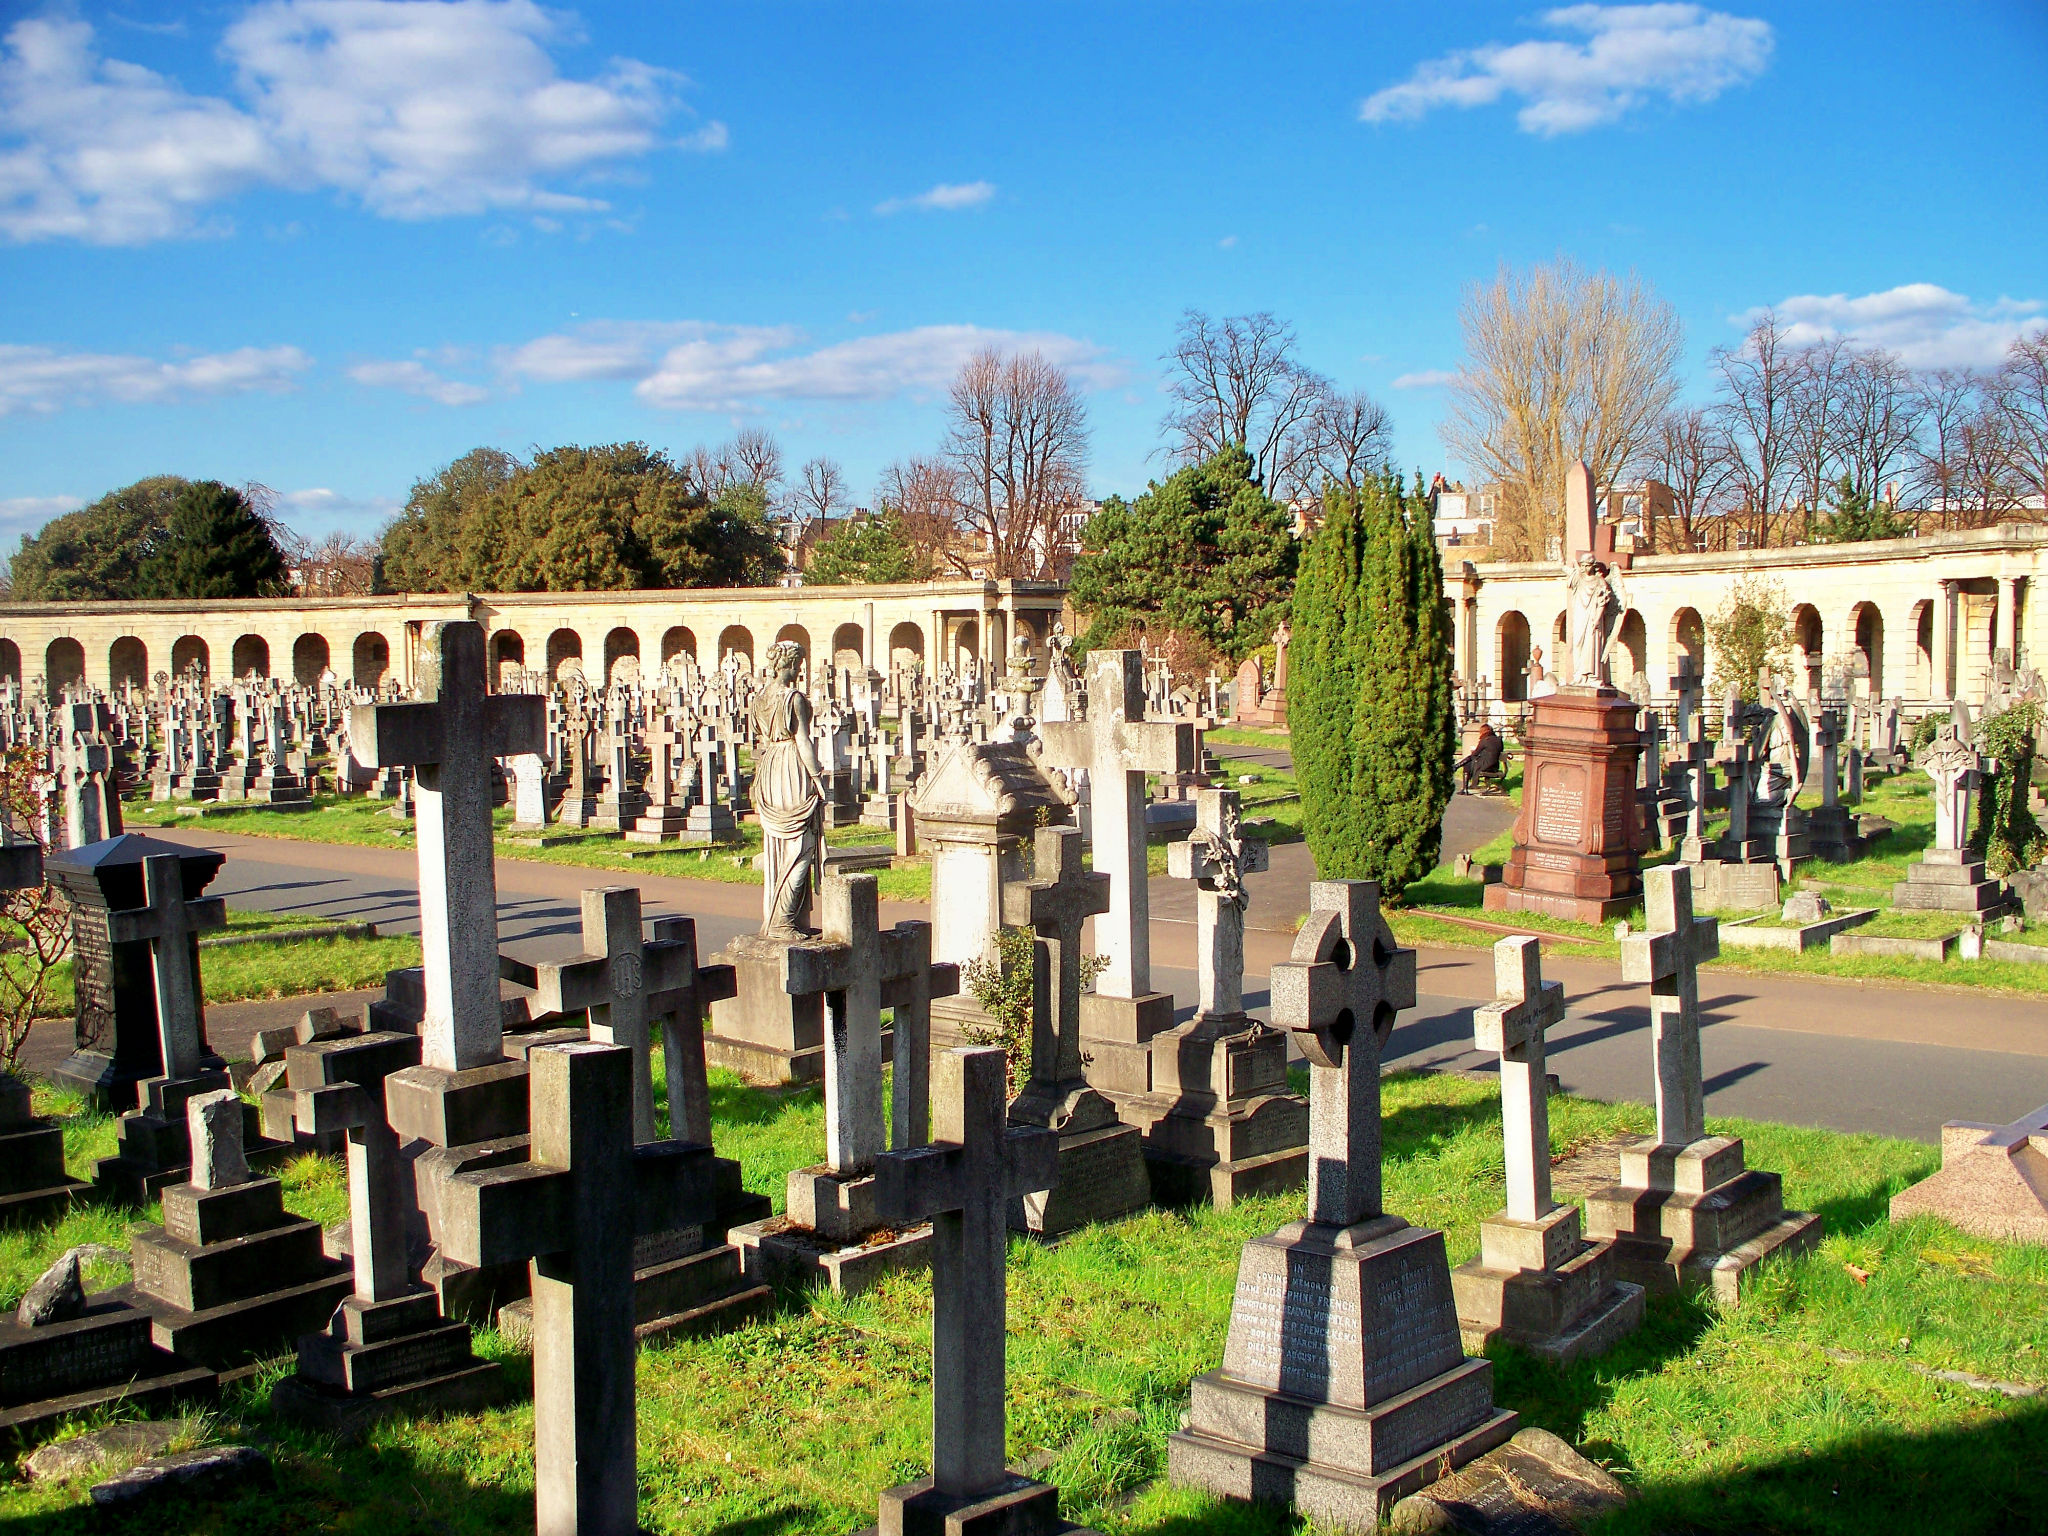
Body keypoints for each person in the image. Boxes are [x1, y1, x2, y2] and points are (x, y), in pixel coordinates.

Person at [750, 640, 829, 939]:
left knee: (777, 848)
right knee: (802, 846)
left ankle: (785, 918)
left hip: (769, 766)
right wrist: (818, 778)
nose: (798, 670)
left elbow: (758, 734)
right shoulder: (793, 698)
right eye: (797, 664)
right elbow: (803, 741)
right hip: (790, 768)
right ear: (789, 664)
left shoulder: (760, 699)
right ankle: (783, 921)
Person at [1454, 723, 1504, 792]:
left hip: (1485, 766)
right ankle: (1456, 766)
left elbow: (1475, 754)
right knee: (1470, 761)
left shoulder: (1484, 740)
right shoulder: (1499, 740)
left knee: (1468, 763)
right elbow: (1499, 750)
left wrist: (1475, 752)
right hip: (1494, 766)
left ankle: (1458, 769)